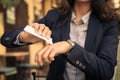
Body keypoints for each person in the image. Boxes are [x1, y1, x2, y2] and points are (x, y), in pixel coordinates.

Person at [1, 0, 119, 80]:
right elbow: (6, 38)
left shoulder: (109, 22)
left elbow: (106, 70)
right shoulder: (54, 16)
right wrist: (25, 36)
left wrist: (69, 47)